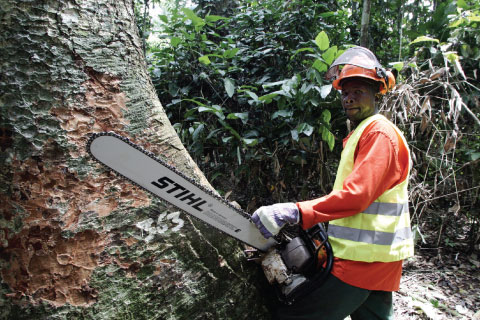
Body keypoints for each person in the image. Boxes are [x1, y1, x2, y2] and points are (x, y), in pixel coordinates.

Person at [251, 46, 414, 320]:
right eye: (345, 93)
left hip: (362, 261)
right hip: (377, 257)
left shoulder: (378, 133)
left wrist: (295, 211)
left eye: (358, 92)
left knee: (295, 315)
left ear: (376, 93)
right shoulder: (365, 132)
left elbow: (357, 195)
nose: (349, 99)